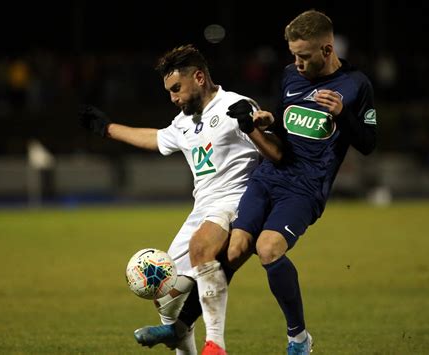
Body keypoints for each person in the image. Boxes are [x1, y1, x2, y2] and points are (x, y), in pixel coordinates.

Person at [78, 44, 282, 355]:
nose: (173, 98)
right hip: (201, 208)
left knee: (201, 248)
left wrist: (264, 126)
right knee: (165, 292)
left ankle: (215, 344)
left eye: (176, 88)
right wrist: (108, 129)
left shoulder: (235, 105)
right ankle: (183, 345)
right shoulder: (184, 122)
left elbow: (268, 141)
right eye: (169, 91)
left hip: (235, 199)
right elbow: (156, 138)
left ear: (198, 77)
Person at [222, 9, 378, 354]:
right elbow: (284, 127)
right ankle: (186, 326)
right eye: (294, 55)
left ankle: (298, 339)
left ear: (327, 49)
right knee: (233, 251)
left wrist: (343, 114)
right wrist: (267, 121)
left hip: (306, 187)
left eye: (304, 56)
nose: (298, 62)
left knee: (268, 248)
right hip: (269, 175)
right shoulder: (291, 74)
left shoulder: (356, 85)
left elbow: (367, 144)